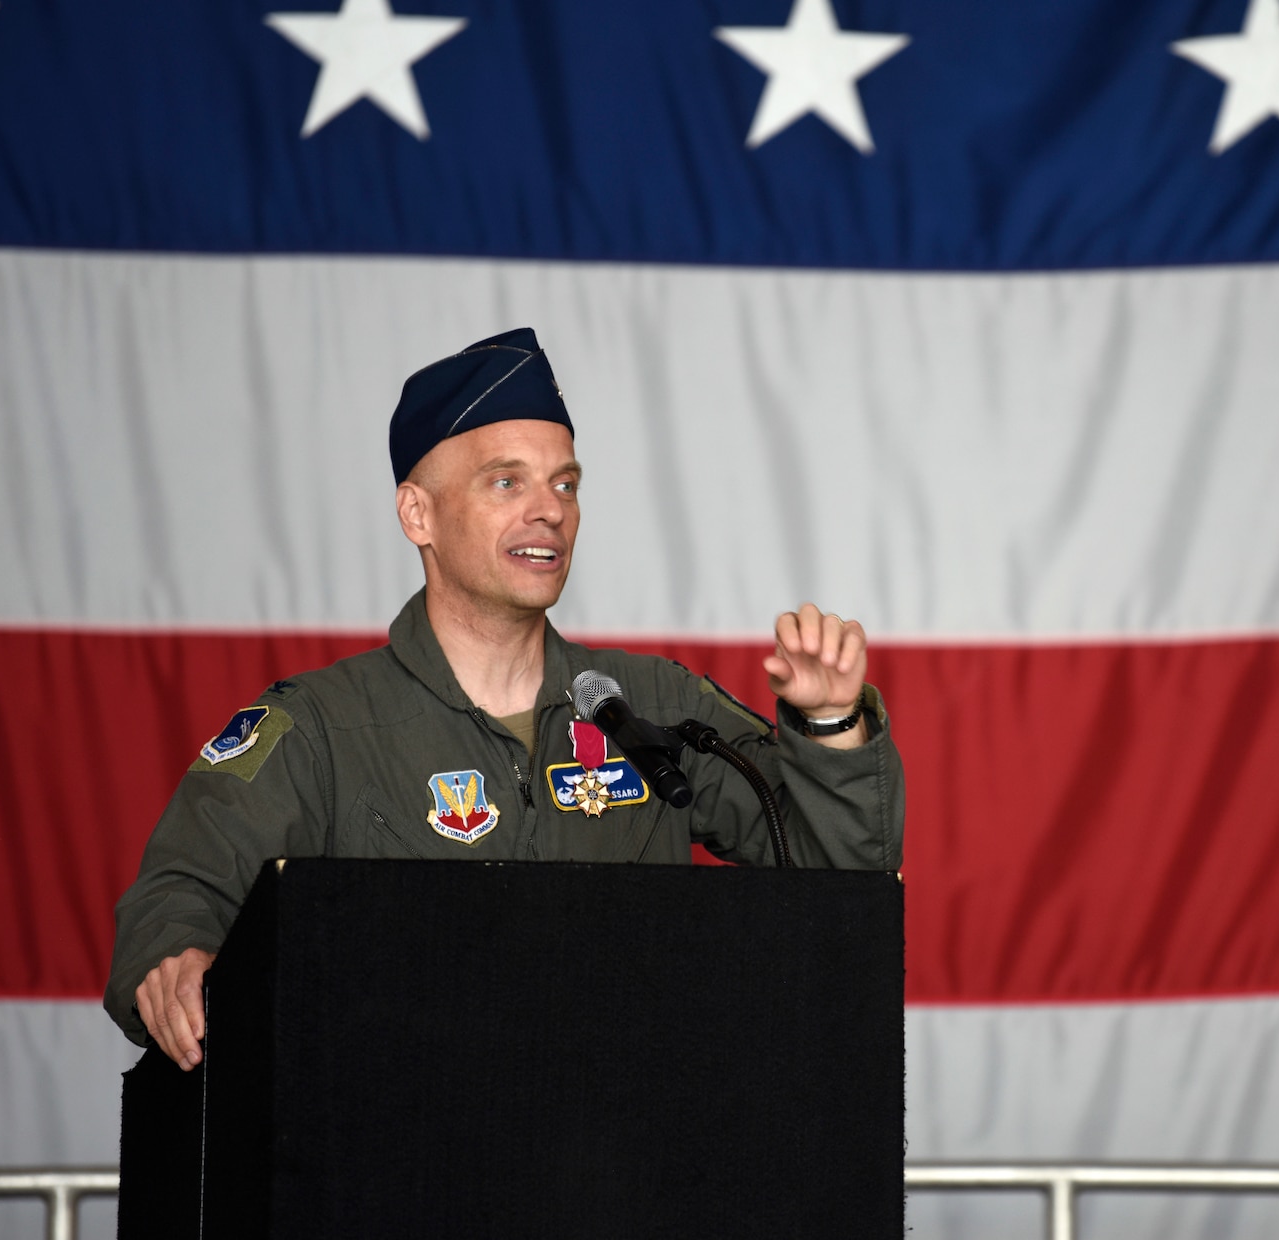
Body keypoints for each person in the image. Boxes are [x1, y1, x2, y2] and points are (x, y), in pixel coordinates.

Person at [104, 328, 906, 1069]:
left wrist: (832, 723)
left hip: (626, 1163)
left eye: (565, 481)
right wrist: (177, 960)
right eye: (505, 481)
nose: (549, 508)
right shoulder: (321, 729)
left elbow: (843, 885)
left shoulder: (652, 703)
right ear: (419, 513)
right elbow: (178, 894)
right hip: (402, 1163)